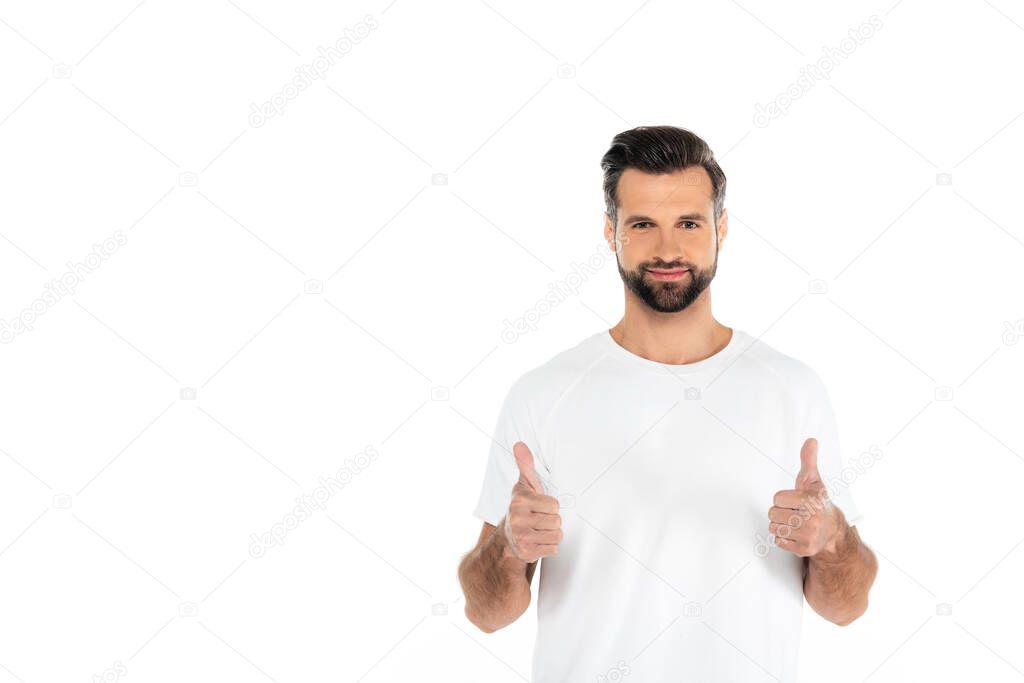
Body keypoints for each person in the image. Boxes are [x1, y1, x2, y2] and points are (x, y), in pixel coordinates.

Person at [457, 125, 878, 682]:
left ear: (720, 228)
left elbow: (846, 608)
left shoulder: (792, 389)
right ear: (611, 233)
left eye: (688, 223)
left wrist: (830, 540)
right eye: (642, 225)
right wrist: (511, 549)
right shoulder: (544, 393)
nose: (667, 250)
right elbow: (487, 614)